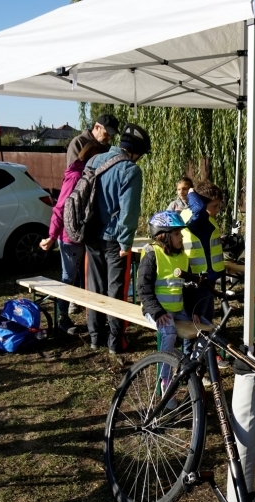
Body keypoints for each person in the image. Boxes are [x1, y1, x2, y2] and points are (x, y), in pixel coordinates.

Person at [85, 123, 151, 354]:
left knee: (94, 286)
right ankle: (115, 341)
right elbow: (129, 211)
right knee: (116, 290)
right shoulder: (130, 170)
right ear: (134, 151)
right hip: (114, 240)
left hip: (90, 234)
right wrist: (126, 242)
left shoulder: (94, 160)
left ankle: (95, 336)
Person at [40, 142, 109, 334]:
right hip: (70, 238)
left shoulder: (87, 175)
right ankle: (63, 317)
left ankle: (88, 314)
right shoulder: (77, 176)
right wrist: (52, 236)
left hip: (83, 236)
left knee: (82, 277)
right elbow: (60, 207)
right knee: (68, 277)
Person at [138, 211, 209, 360]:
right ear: (164, 235)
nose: (182, 237)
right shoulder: (152, 255)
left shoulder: (183, 256)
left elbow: (188, 288)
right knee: (169, 334)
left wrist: (193, 311)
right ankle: (166, 380)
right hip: (157, 311)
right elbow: (144, 289)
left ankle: (191, 365)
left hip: (179, 310)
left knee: (208, 331)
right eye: (177, 234)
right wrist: (157, 312)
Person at [181, 180, 225, 328]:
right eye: (215, 206)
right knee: (199, 319)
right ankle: (191, 351)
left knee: (207, 317)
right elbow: (199, 208)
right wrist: (192, 193)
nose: (218, 210)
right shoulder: (198, 218)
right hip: (199, 280)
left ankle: (205, 349)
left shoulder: (204, 219)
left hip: (208, 278)